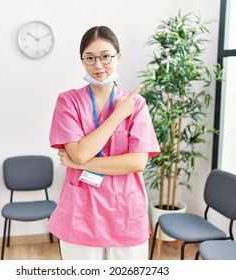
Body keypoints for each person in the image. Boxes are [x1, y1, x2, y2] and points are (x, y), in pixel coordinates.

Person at [48, 26, 160, 260]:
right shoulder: (68, 101)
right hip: (81, 212)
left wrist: (80, 165)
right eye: (90, 58)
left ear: (118, 57)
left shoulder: (136, 104)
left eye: (105, 56)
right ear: (82, 61)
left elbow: (137, 162)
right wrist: (118, 116)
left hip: (125, 212)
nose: (98, 65)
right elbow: (78, 154)